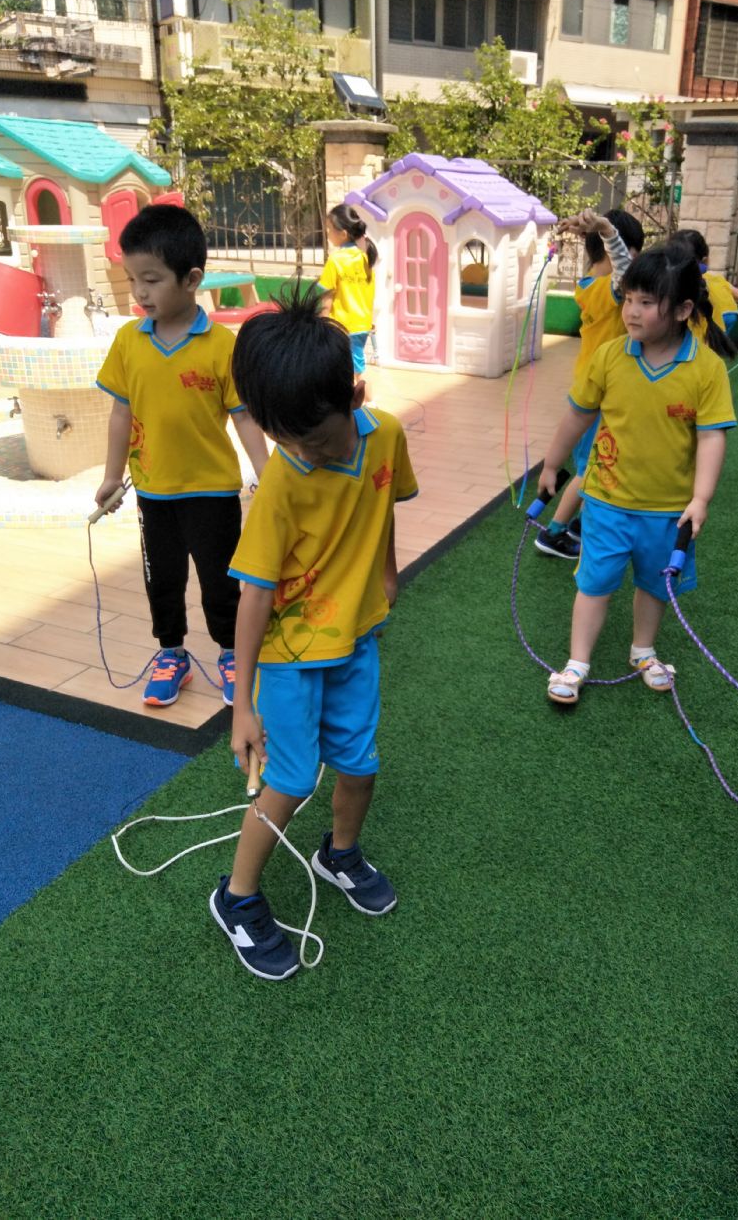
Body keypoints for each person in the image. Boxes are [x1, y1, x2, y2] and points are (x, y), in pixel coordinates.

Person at [209, 288, 418, 981]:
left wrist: (386, 570)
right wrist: (242, 704)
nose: (303, 452)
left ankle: (340, 853)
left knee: (360, 763)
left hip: (355, 639)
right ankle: (237, 897)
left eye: (316, 438)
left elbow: (383, 501)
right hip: (289, 658)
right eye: (285, 440)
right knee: (291, 779)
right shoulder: (282, 481)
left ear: (355, 395)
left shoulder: (386, 435)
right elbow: (253, 595)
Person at [539, 245, 736, 705]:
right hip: (606, 500)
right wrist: (551, 463)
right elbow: (577, 414)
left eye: (646, 302)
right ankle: (577, 662)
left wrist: (701, 499)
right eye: (629, 299)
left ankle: (643, 651)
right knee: (594, 583)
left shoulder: (706, 368)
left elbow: (712, 437)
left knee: (654, 584)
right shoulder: (610, 356)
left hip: (668, 510)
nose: (631, 310)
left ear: (683, 310)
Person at [94, 204, 268, 708]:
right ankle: (171, 653)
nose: (139, 292)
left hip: (212, 492)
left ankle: (232, 654)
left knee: (220, 582)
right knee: (162, 581)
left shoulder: (221, 345)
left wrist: (268, 474)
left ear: (191, 280)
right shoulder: (128, 342)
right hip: (153, 492)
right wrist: (111, 476)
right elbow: (120, 414)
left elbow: (244, 417)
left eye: (151, 280)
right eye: (132, 280)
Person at [535, 208, 644, 561]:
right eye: (632, 253)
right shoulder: (608, 289)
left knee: (600, 461)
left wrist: (595, 233)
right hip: (599, 393)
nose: (634, 263)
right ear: (617, 252)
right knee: (590, 468)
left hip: (596, 388)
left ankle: (580, 526)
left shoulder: (590, 285)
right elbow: (623, 270)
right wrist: (608, 231)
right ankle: (554, 533)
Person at [669, 228, 738, 333]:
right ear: (705, 260)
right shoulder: (714, 278)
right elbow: (736, 291)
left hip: (716, 318)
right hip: (730, 313)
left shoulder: (681, 282)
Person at [317, 203, 378, 376]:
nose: (327, 233)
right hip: (362, 324)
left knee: (348, 369)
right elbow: (368, 293)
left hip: (341, 326)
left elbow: (327, 297)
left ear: (343, 234)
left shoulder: (335, 260)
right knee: (355, 366)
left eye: (329, 229)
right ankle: (360, 391)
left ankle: (361, 392)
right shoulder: (365, 258)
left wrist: (323, 323)